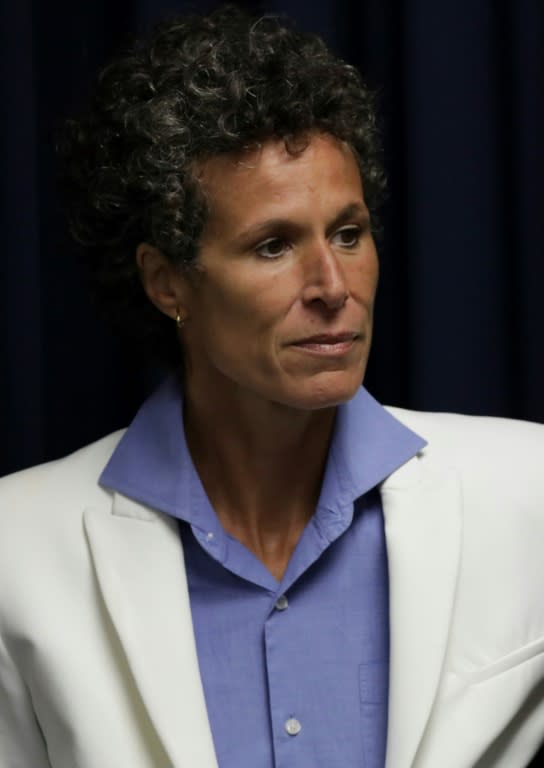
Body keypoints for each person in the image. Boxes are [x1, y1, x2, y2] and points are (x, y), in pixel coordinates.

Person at [0, 6, 543, 768]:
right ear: (166, 282)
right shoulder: (16, 547)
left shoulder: (528, 489)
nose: (332, 285)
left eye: (348, 234)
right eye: (273, 245)